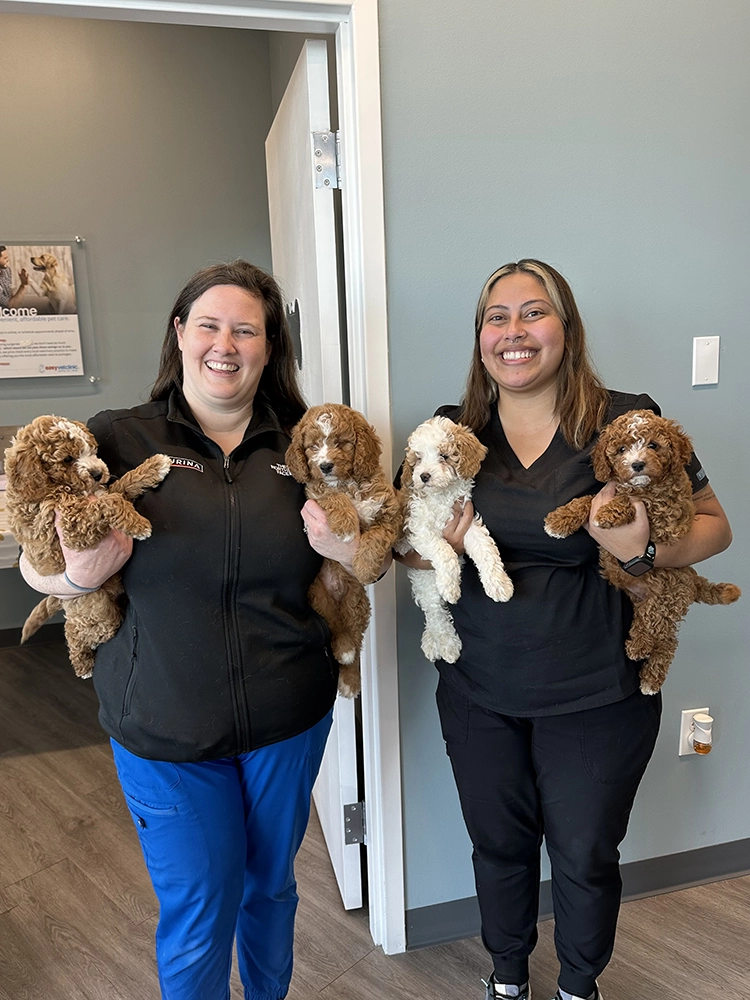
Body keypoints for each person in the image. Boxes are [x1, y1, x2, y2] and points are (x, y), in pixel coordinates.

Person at [19, 260, 365, 1000]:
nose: (226, 343)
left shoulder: (305, 448)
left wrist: (352, 553)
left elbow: (366, 559)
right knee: (201, 907)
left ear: (270, 349)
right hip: (163, 727)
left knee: (269, 890)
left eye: (247, 330)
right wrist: (75, 578)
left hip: (286, 718)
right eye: (209, 324)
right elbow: (32, 563)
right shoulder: (115, 438)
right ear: (179, 334)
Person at [396, 259, 733, 1000]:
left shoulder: (624, 420)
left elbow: (715, 526)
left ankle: (580, 986)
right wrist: (432, 549)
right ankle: (507, 979)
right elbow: (403, 540)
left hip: (597, 692)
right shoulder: (450, 432)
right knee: (499, 847)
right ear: (480, 336)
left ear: (566, 328)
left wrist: (644, 552)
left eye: (533, 313)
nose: (513, 332)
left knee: (583, 854)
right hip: (479, 689)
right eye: (496, 317)